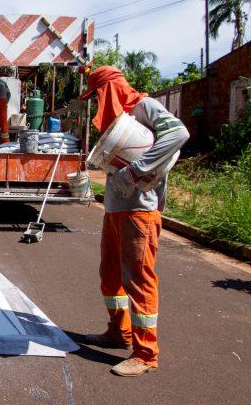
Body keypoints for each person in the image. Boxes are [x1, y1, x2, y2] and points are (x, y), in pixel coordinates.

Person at [79, 66, 190, 376]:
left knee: (139, 281)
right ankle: (119, 332)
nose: (97, 102)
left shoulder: (144, 106)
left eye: (98, 95)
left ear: (110, 89)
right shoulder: (120, 118)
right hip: (116, 210)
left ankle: (145, 354)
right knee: (110, 276)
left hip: (140, 211)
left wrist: (137, 169)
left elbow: (179, 133)